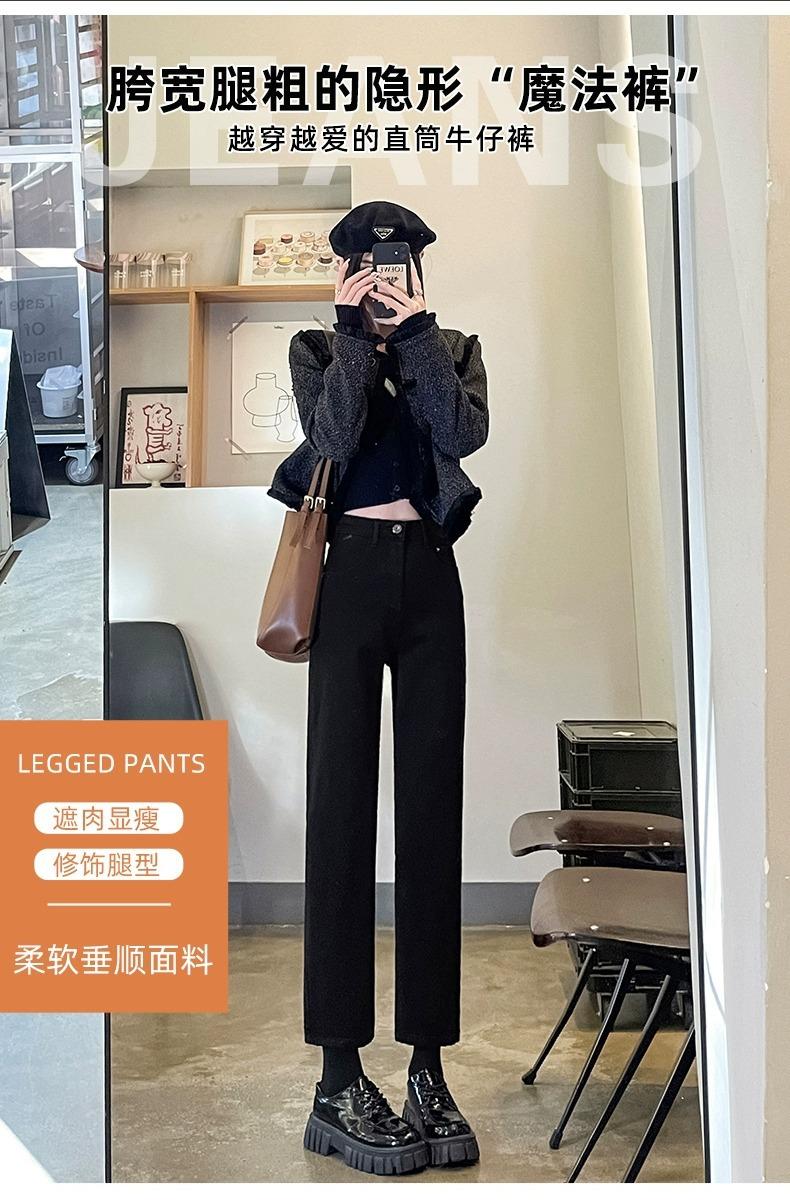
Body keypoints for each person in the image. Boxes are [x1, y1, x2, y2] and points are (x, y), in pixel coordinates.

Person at [268, 200, 489, 1177]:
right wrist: (355, 334)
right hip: (348, 574)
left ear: (420, 271)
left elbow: (460, 433)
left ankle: (429, 1067)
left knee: (432, 812)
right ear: (346, 269)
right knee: (340, 809)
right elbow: (331, 439)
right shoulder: (318, 349)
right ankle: (337, 1076)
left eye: (397, 264)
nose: (383, 276)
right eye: (367, 263)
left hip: (432, 576)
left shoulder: (454, 347)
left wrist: (418, 333)